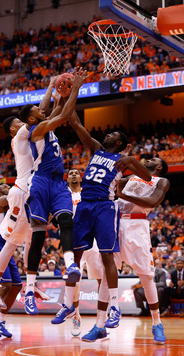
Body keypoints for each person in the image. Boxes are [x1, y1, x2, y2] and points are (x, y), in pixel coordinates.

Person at [69, 111, 152, 342]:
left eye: (113, 133)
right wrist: (68, 94)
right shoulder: (96, 149)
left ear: (119, 143)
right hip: (87, 206)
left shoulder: (121, 159)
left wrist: (130, 160)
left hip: (106, 208)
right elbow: (75, 122)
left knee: (109, 260)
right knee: (76, 256)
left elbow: (147, 176)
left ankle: (115, 308)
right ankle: (71, 307)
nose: (107, 132)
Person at [19, 68, 88, 320]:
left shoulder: (46, 126)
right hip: (40, 183)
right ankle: (28, 289)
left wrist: (56, 90)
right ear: (31, 119)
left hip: (57, 183)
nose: (42, 109)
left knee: (66, 221)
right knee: (39, 236)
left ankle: (70, 263)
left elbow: (57, 110)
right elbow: (63, 114)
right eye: (38, 110)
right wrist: (75, 89)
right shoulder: (36, 130)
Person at [96, 157, 169, 344]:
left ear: (159, 167)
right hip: (115, 222)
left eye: (153, 159)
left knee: (146, 276)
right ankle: (99, 325)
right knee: (107, 274)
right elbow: (111, 181)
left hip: (137, 225)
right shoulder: (132, 177)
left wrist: (123, 195)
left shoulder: (161, 181)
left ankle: (156, 323)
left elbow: (151, 202)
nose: (148, 159)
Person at [0, 115, 51, 306]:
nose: (23, 124)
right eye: (19, 123)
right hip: (21, 192)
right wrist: (52, 86)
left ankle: (32, 284)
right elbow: (36, 117)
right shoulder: (20, 135)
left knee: (31, 240)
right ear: (13, 129)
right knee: (12, 243)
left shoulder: (28, 137)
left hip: (32, 191)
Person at [66, 168, 103, 337]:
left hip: (92, 238)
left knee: (101, 277)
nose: (74, 174)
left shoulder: (88, 192)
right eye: (70, 173)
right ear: (67, 179)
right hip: (74, 240)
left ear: (81, 178)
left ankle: (101, 319)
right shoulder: (63, 194)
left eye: (76, 173)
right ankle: (76, 316)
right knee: (75, 280)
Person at [0, 187, 22, 338]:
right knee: (6, 284)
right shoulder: (4, 200)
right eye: (5, 186)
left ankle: (1, 321)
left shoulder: (14, 204)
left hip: (9, 245)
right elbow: (5, 200)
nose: (8, 187)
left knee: (16, 285)